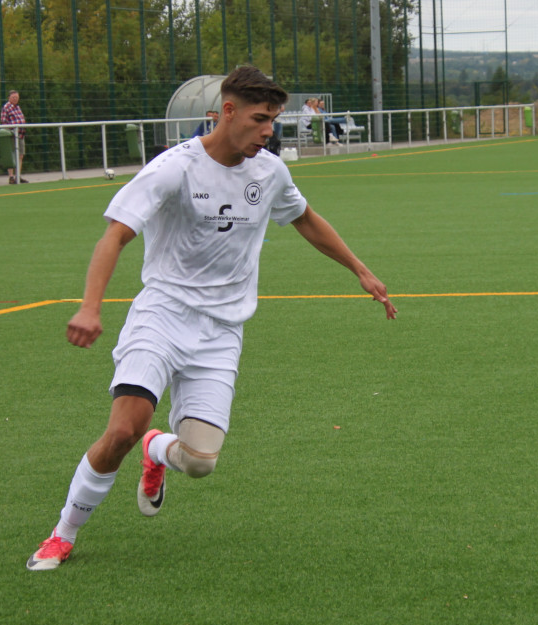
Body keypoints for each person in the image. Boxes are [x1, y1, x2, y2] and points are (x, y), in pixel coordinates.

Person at [26, 65, 397, 571]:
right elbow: (114, 234)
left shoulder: (269, 171)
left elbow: (305, 218)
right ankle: (63, 532)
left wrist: (360, 269)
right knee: (122, 429)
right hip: (162, 315)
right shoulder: (173, 169)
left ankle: (157, 450)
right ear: (227, 112)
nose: (269, 131)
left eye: (274, 120)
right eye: (260, 118)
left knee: (200, 463)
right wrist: (90, 308)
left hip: (221, 331)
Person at [0, 90, 28, 184]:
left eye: (17, 97)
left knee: (20, 155)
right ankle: (11, 177)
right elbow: (4, 122)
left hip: (20, 134)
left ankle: (18, 176)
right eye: (13, 97)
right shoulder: (6, 107)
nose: (15, 99)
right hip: (12, 135)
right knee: (11, 156)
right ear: (9, 98)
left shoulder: (18, 107)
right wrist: (11, 131)